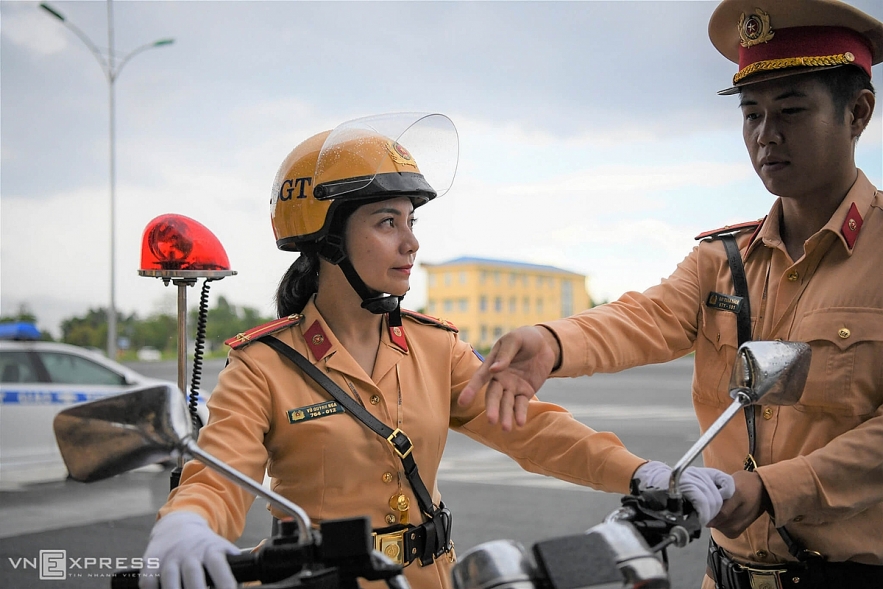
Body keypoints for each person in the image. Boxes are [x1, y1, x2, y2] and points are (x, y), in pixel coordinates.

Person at [139, 113, 733, 589]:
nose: (412, 242)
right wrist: (186, 525)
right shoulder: (263, 365)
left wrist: (642, 473)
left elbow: (531, 430)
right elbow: (217, 478)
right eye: (386, 222)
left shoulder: (434, 348)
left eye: (411, 220)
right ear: (328, 238)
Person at [460, 1, 883, 587]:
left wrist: (770, 489)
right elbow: (645, 317)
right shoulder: (723, 261)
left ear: (857, 113)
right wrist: (551, 343)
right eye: (751, 114)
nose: (766, 136)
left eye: (791, 110)